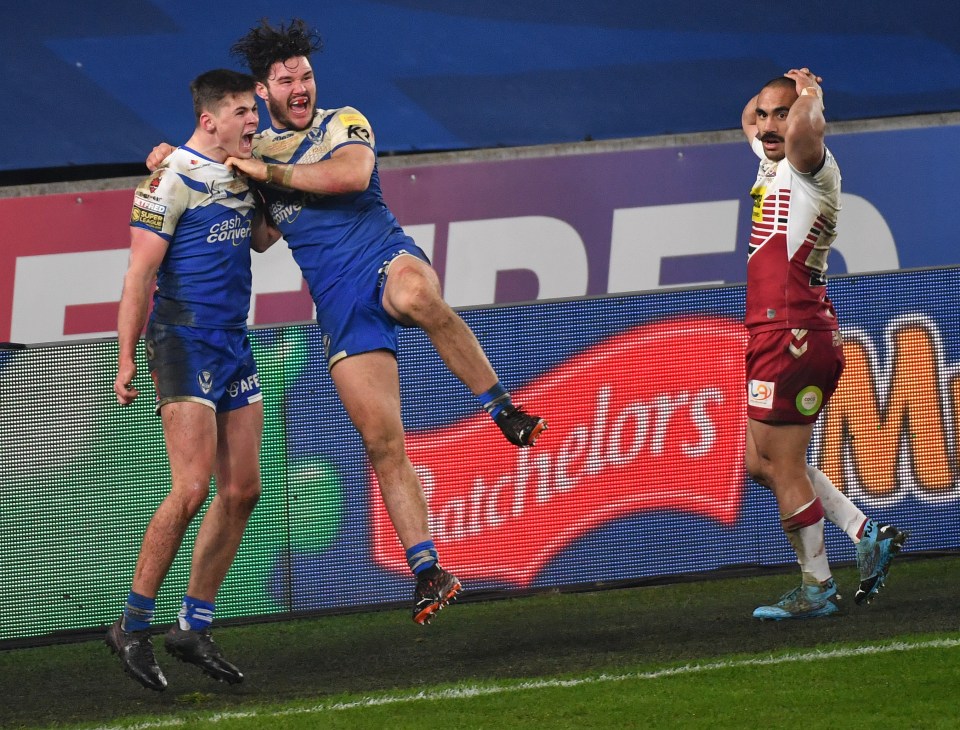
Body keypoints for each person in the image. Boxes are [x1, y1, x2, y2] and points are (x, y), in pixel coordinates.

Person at [149, 18, 547, 626]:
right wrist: (168, 158)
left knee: (418, 297)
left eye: (306, 74)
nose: (301, 86)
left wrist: (270, 175)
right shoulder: (250, 154)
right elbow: (255, 237)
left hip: (383, 259)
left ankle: (502, 409)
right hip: (337, 303)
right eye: (287, 79)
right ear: (264, 91)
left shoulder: (343, 122)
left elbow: (352, 175)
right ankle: (427, 571)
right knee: (384, 443)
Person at [107, 69, 268, 690]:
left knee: (243, 490)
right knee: (193, 487)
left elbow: (260, 240)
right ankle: (131, 626)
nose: (252, 120)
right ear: (209, 119)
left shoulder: (243, 170)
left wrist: (275, 190)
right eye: (240, 112)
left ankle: (191, 628)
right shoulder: (167, 180)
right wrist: (125, 358)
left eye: (253, 110)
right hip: (181, 338)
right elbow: (137, 276)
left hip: (232, 340)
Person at [741, 68, 908, 620]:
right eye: (764, 115)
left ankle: (817, 588)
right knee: (758, 461)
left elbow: (806, 131)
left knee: (782, 465)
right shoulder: (772, 161)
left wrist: (808, 95)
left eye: (779, 116)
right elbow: (750, 118)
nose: (767, 125)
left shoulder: (810, 167)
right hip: (781, 332)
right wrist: (775, 97)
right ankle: (865, 532)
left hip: (791, 334)